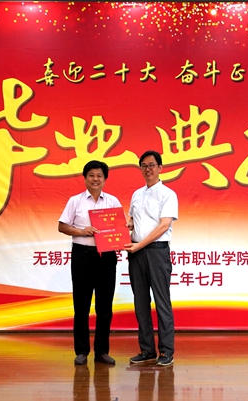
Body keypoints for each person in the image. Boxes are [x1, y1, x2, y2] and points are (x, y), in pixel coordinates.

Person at [58, 160, 121, 366]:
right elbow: (62, 226)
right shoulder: (75, 201)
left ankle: (102, 351)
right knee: (81, 305)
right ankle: (81, 351)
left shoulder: (112, 201)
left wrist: (122, 233)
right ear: (85, 178)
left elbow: (119, 228)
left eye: (99, 176)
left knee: (105, 306)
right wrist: (81, 231)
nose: (95, 179)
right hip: (82, 255)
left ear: (105, 179)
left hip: (106, 256)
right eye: (91, 175)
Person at [124, 150, 178, 367]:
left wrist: (140, 244)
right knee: (140, 302)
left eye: (152, 165)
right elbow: (132, 220)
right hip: (136, 252)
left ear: (160, 168)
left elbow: (164, 225)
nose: (148, 169)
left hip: (157, 251)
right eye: (144, 166)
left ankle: (166, 351)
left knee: (161, 301)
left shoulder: (168, 194)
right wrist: (128, 224)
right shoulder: (137, 194)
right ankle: (147, 349)